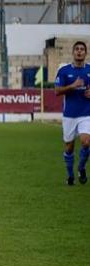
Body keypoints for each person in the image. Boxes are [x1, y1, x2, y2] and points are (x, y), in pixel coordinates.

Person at [55, 40, 90, 186]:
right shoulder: (64, 71)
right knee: (69, 147)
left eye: (82, 49)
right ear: (73, 52)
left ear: (85, 53)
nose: (80, 51)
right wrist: (72, 85)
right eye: (77, 49)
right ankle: (70, 175)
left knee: (86, 142)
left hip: (86, 113)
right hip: (69, 114)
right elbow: (57, 91)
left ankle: (81, 168)